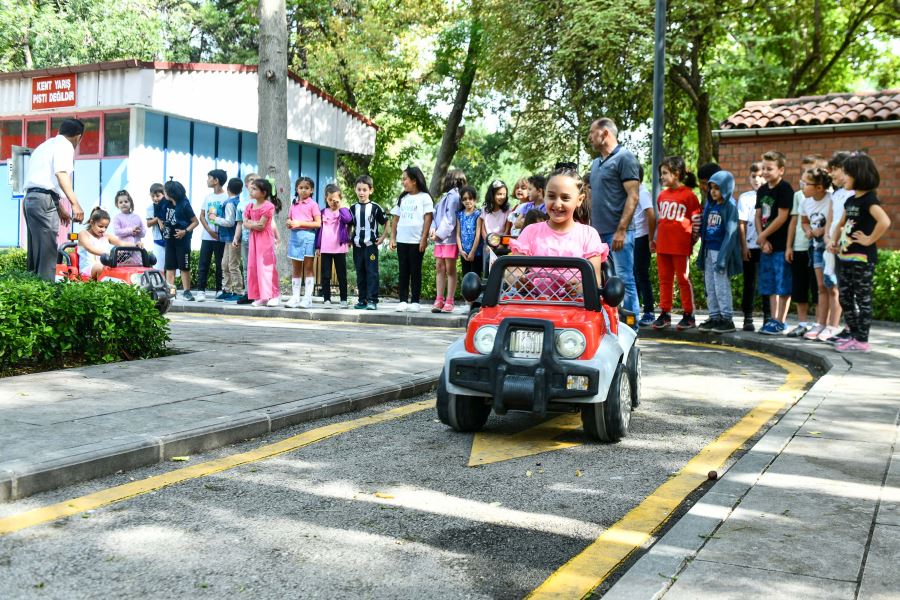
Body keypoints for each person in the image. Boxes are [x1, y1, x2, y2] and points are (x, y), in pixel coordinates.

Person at [828, 152, 891, 353]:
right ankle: (853, 335)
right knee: (845, 297)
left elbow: (885, 221)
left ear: (859, 174)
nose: (843, 178)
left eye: (847, 174)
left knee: (862, 299)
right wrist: (834, 241)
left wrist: (870, 239)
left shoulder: (869, 200)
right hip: (846, 256)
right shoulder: (851, 201)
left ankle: (862, 340)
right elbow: (840, 224)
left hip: (862, 258)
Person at [510, 166, 609, 287]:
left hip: (577, 303)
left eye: (565, 198)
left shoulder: (588, 235)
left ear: (579, 200)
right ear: (544, 195)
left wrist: (581, 287)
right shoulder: (530, 231)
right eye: (551, 196)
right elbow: (514, 272)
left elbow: (595, 279)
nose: (557, 204)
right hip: (534, 301)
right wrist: (518, 281)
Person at [587, 117, 641, 318]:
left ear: (605, 133)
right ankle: (609, 323)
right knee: (601, 280)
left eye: (592, 133)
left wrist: (621, 230)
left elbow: (633, 196)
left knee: (624, 279)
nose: (590, 138)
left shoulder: (625, 158)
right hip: (598, 234)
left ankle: (631, 327)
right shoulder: (595, 163)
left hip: (619, 234)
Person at [23, 118, 86, 281]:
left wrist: (59, 208)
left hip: (30, 199)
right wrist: (75, 204)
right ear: (78, 137)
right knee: (48, 251)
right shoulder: (65, 145)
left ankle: (31, 290)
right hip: (43, 201)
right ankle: (45, 293)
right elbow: (61, 174)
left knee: (36, 251)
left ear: (60, 130)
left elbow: (43, 181)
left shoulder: (44, 146)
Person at [652, 156, 701, 330]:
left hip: (680, 247)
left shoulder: (689, 195)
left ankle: (689, 314)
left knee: (683, 279)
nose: (662, 177)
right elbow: (662, 221)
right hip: (663, 246)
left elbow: (697, 221)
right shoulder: (662, 195)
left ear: (676, 174)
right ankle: (665, 313)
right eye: (661, 173)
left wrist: (691, 241)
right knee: (664, 280)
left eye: (665, 173)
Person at [697, 170, 742, 333]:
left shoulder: (729, 207)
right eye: (711, 188)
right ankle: (715, 316)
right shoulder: (711, 206)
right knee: (710, 285)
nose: (713, 191)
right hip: (709, 251)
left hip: (720, 253)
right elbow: (704, 231)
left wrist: (722, 258)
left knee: (721, 285)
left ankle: (726, 318)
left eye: (717, 188)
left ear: (726, 188)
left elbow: (730, 234)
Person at [785, 155, 825, 337]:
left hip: (818, 247)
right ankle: (802, 323)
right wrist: (789, 246)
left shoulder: (827, 196)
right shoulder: (798, 196)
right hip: (800, 246)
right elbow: (795, 221)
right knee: (799, 286)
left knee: (818, 287)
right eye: (804, 172)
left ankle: (819, 323)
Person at [755, 151, 794, 335]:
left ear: (781, 170)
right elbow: (757, 215)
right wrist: (762, 239)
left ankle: (781, 320)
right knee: (770, 284)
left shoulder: (785, 189)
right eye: (763, 168)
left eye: (769, 168)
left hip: (780, 244)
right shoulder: (762, 190)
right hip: (766, 246)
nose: (765, 172)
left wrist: (763, 236)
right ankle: (772, 319)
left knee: (782, 283)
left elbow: (782, 216)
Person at [798, 168, 836, 341]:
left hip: (829, 246)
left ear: (820, 187)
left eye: (806, 183)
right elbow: (804, 221)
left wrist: (822, 230)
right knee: (820, 287)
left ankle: (832, 325)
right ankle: (820, 323)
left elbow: (835, 221)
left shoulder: (831, 200)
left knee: (832, 287)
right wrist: (808, 230)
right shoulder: (805, 202)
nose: (802, 186)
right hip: (816, 247)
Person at [390, 166, 434, 312]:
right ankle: (403, 300)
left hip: (416, 241)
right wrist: (392, 238)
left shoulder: (425, 197)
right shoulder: (403, 198)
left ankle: (415, 301)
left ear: (414, 181)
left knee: (415, 270)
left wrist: (424, 238)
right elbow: (395, 219)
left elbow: (428, 218)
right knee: (403, 270)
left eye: (405, 179)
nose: (403, 182)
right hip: (402, 240)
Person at [821, 152, 853, 343]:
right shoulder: (837, 194)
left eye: (835, 169)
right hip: (832, 245)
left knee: (849, 289)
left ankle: (851, 328)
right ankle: (847, 328)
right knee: (839, 286)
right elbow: (831, 219)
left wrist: (840, 242)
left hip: (846, 246)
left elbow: (848, 222)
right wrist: (827, 238)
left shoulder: (853, 194)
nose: (831, 174)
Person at [737, 162, 769, 331]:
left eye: (761, 176)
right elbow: (741, 224)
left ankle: (767, 318)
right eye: (754, 176)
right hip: (750, 246)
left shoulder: (770, 195)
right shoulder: (745, 197)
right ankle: (747, 318)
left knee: (766, 283)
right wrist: (744, 246)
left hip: (767, 247)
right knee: (750, 283)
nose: (757, 180)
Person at [350, 175, 388, 310]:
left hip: (371, 246)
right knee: (360, 273)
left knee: (371, 272)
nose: (361, 192)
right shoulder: (352, 208)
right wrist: (349, 239)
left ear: (370, 190)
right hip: (357, 246)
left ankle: (372, 300)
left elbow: (386, 222)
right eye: (359, 189)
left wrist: (383, 237)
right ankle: (362, 300)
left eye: (364, 190)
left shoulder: (375, 207)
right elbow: (349, 225)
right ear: (355, 190)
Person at [430, 169, 466, 314]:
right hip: (440, 239)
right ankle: (439, 299)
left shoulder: (455, 197)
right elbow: (435, 214)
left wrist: (438, 235)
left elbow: (450, 219)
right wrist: (433, 229)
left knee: (450, 269)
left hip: (448, 239)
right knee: (440, 267)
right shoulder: (445, 197)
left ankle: (449, 300)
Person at [244, 178, 282, 307]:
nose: (251, 191)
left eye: (255, 189)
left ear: (264, 193)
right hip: (254, 239)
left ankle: (274, 295)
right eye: (251, 188)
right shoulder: (249, 206)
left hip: (265, 240)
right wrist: (253, 224)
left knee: (266, 268)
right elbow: (245, 223)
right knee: (254, 267)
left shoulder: (268, 206)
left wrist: (250, 224)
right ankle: (262, 296)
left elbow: (261, 225)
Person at [285, 177, 321, 308]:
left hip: (308, 238)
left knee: (308, 268)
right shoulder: (293, 204)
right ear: (296, 189)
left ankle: (307, 298)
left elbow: (318, 223)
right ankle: (295, 297)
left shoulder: (313, 204)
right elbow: (289, 218)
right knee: (296, 269)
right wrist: (289, 223)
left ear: (312, 190)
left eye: (307, 188)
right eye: (301, 188)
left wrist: (300, 223)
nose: (303, 190)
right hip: (295, 238)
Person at [162, 180, 199, 301]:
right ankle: (171, 292)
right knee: (170, 267)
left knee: (184, 267)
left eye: (165, 191)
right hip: (170, 240)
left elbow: (195, 221)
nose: (164, 193)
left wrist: (185, 231)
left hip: (182, 241)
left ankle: (187, 292)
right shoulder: (166, 203)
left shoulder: (184, 204)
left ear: (171, 193)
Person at [195, 169, 229, 302]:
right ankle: (200, 291)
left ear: (216, 181)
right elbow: (202, 216)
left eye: (209, 178)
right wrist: (209, 230)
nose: (207, 180)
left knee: (220, 264)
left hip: (221, 237)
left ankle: (219, 290)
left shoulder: (226, 197)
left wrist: (218, 233)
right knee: (203, 263)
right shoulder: (208, 197)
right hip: (207, 236)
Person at [317, 183, 352, 308]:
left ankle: (343, 299)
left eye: (335, 200)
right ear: (326, 199)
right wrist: (317, 247)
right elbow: (318, 231)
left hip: (340, 248)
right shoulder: (322, 212)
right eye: (330, 199)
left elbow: (348, 220)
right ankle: (327, 299)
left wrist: (340, 207)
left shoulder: (343, 211)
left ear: (340, 199)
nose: (332, 202)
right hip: (326, 248)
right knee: (325, 275)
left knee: (341, 275)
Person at [210, 178, 243, 302]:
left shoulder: (230, 203)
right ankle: (227, 289)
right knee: (225, 264)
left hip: (232, 238)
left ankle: (238, 291)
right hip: (230, 238)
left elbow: (229, 222)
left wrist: (215, 218)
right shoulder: (238, 201)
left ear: (228, 188)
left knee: (232, 265)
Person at [632, 165, 657, 326]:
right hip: (635, 237)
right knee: (635, 275)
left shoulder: (642, 192)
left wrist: (650, 238)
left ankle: (649, 311)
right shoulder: (634, 192)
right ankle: (637, 310)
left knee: (642, 275)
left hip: (641, 238)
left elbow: (651, 214)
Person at [77, 208, 129, 280]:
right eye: (100, 226)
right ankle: (103, 288)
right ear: (92, 222)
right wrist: (109, 254)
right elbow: (89, 248)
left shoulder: (107, 236)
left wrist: (136, 245)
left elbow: (121, 243)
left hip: (105, 266)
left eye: (106, 227)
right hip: (88, 269)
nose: (103, 229)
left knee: (123, 266)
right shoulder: (83, 234)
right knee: (101, 267)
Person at [234, 172, 259, 305]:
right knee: (246, 267)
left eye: (256, 180)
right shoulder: (241, 204)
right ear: (246, 185)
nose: (254, 183)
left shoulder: (262, 202)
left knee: (259, 266)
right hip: (246, 238)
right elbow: (239, 223)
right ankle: (249, 293)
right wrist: (236, 238)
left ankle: (261, 293)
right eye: (251, 180)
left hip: (260, 240)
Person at [480, 179, 511, 276]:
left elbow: (507, 229)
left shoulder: (507, 210)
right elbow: (483, 228)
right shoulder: (485, 209)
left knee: (501, 272)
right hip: (488, 244)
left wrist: (500, 244)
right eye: (499, 194)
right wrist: (488, 243)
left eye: (504, 194)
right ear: (492, 194)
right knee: (488, 270)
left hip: (502, 245)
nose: (502, 197)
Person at [111, 190, 145, 265]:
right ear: (117, 205)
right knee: (124, 267)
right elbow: (117, 232)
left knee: (137, 266)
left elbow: (143, 234)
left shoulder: (137, 217)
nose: (123, 204)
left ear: (130, 203)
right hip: (124, 250)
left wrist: (140, 231)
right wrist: (130, 230)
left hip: (136, 248)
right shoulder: (117, 218)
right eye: (121, 202)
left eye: (126, 201)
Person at [456, 185, 483, 279]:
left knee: (475, 278)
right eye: (465, 199)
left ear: (475, 199)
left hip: (476, 253)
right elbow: (458, 234)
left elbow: (478, 235)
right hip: (464, 253)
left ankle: (476, 294)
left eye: (470, 198)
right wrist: (461, 250)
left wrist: (472, 252)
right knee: (466, 277)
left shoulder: (478, 214)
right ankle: (466, 295)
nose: (467, 201)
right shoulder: (460, 214)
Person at [146, 183, 167, 258]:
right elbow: (148, 224)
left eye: (158, 196)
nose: (155, 198)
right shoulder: (150, 208)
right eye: (152, 196)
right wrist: (158, 218)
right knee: (158, 267)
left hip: (171, 240)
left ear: (164, 194)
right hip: (158, 240)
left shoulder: (169, 205)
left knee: (174, 267)